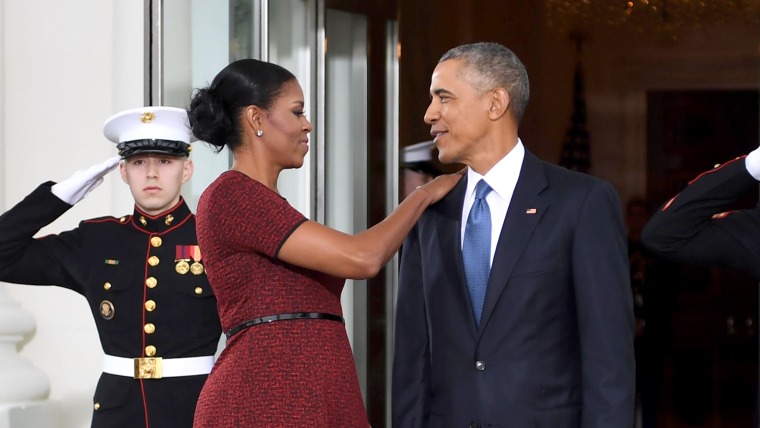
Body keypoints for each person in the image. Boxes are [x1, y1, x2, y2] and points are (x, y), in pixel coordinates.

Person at [187, 58, 463, 427]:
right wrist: (424, 194)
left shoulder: (267, 204)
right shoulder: (232, 195)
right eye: (297, 112)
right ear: (256, 119)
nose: (308, 124)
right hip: (266, 399)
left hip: (308, 393)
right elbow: (362, 257)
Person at [391, 42, 635, 427]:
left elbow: (609, 358)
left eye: (444, 97)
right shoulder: (429, 211)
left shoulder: (582, 202)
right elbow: (412, 354)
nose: (429, 114)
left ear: (495, 103)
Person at [0, 106, 222, 427]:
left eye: (164, 161)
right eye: (138, 162)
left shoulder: (214, 238)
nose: (151, 173)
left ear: (186, 169)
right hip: (118, 412)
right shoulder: (98, 240)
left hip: (197, 409)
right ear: (123, 172)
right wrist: (60, 196)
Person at [626, 197, 676, 428]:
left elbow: (667, 294)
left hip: (653, 332)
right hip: (623, 333)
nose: (636, 220)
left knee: (650, 389)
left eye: (641, 214)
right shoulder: (618, 246)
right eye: (632, 215)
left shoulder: (658, 249)